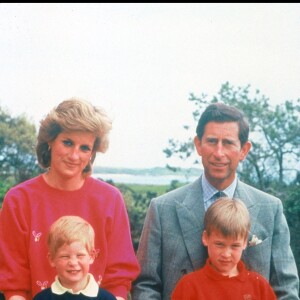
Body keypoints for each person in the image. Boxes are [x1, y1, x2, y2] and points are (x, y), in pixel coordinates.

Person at [132, 102, 299, 300]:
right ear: (198, 145)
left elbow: (286, 289)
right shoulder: (162, 209)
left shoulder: (270, 209)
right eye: (211, 141)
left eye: (228, 143)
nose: (219, 153)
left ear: (244, 149)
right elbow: (145, 285)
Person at [0, 98, 140, 300]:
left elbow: (118, 280)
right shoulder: (19, 200)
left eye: (85, 148)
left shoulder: (110, 199)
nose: (75, 156)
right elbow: (14, 284)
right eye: (68, 143)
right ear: (50, 141)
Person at [171, 197, 277, 300]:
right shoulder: (188, 286)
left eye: (235, 246)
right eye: (219, 244)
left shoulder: (259, 287)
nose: (226, 254)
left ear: (244, 242)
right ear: (205, 238)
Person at [33, 215, 117, 300]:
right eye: (65, 256)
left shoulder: (107, 298)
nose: (73, 263)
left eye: (80, 255)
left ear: (91, 256)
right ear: (52, 259)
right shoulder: (41, 298)